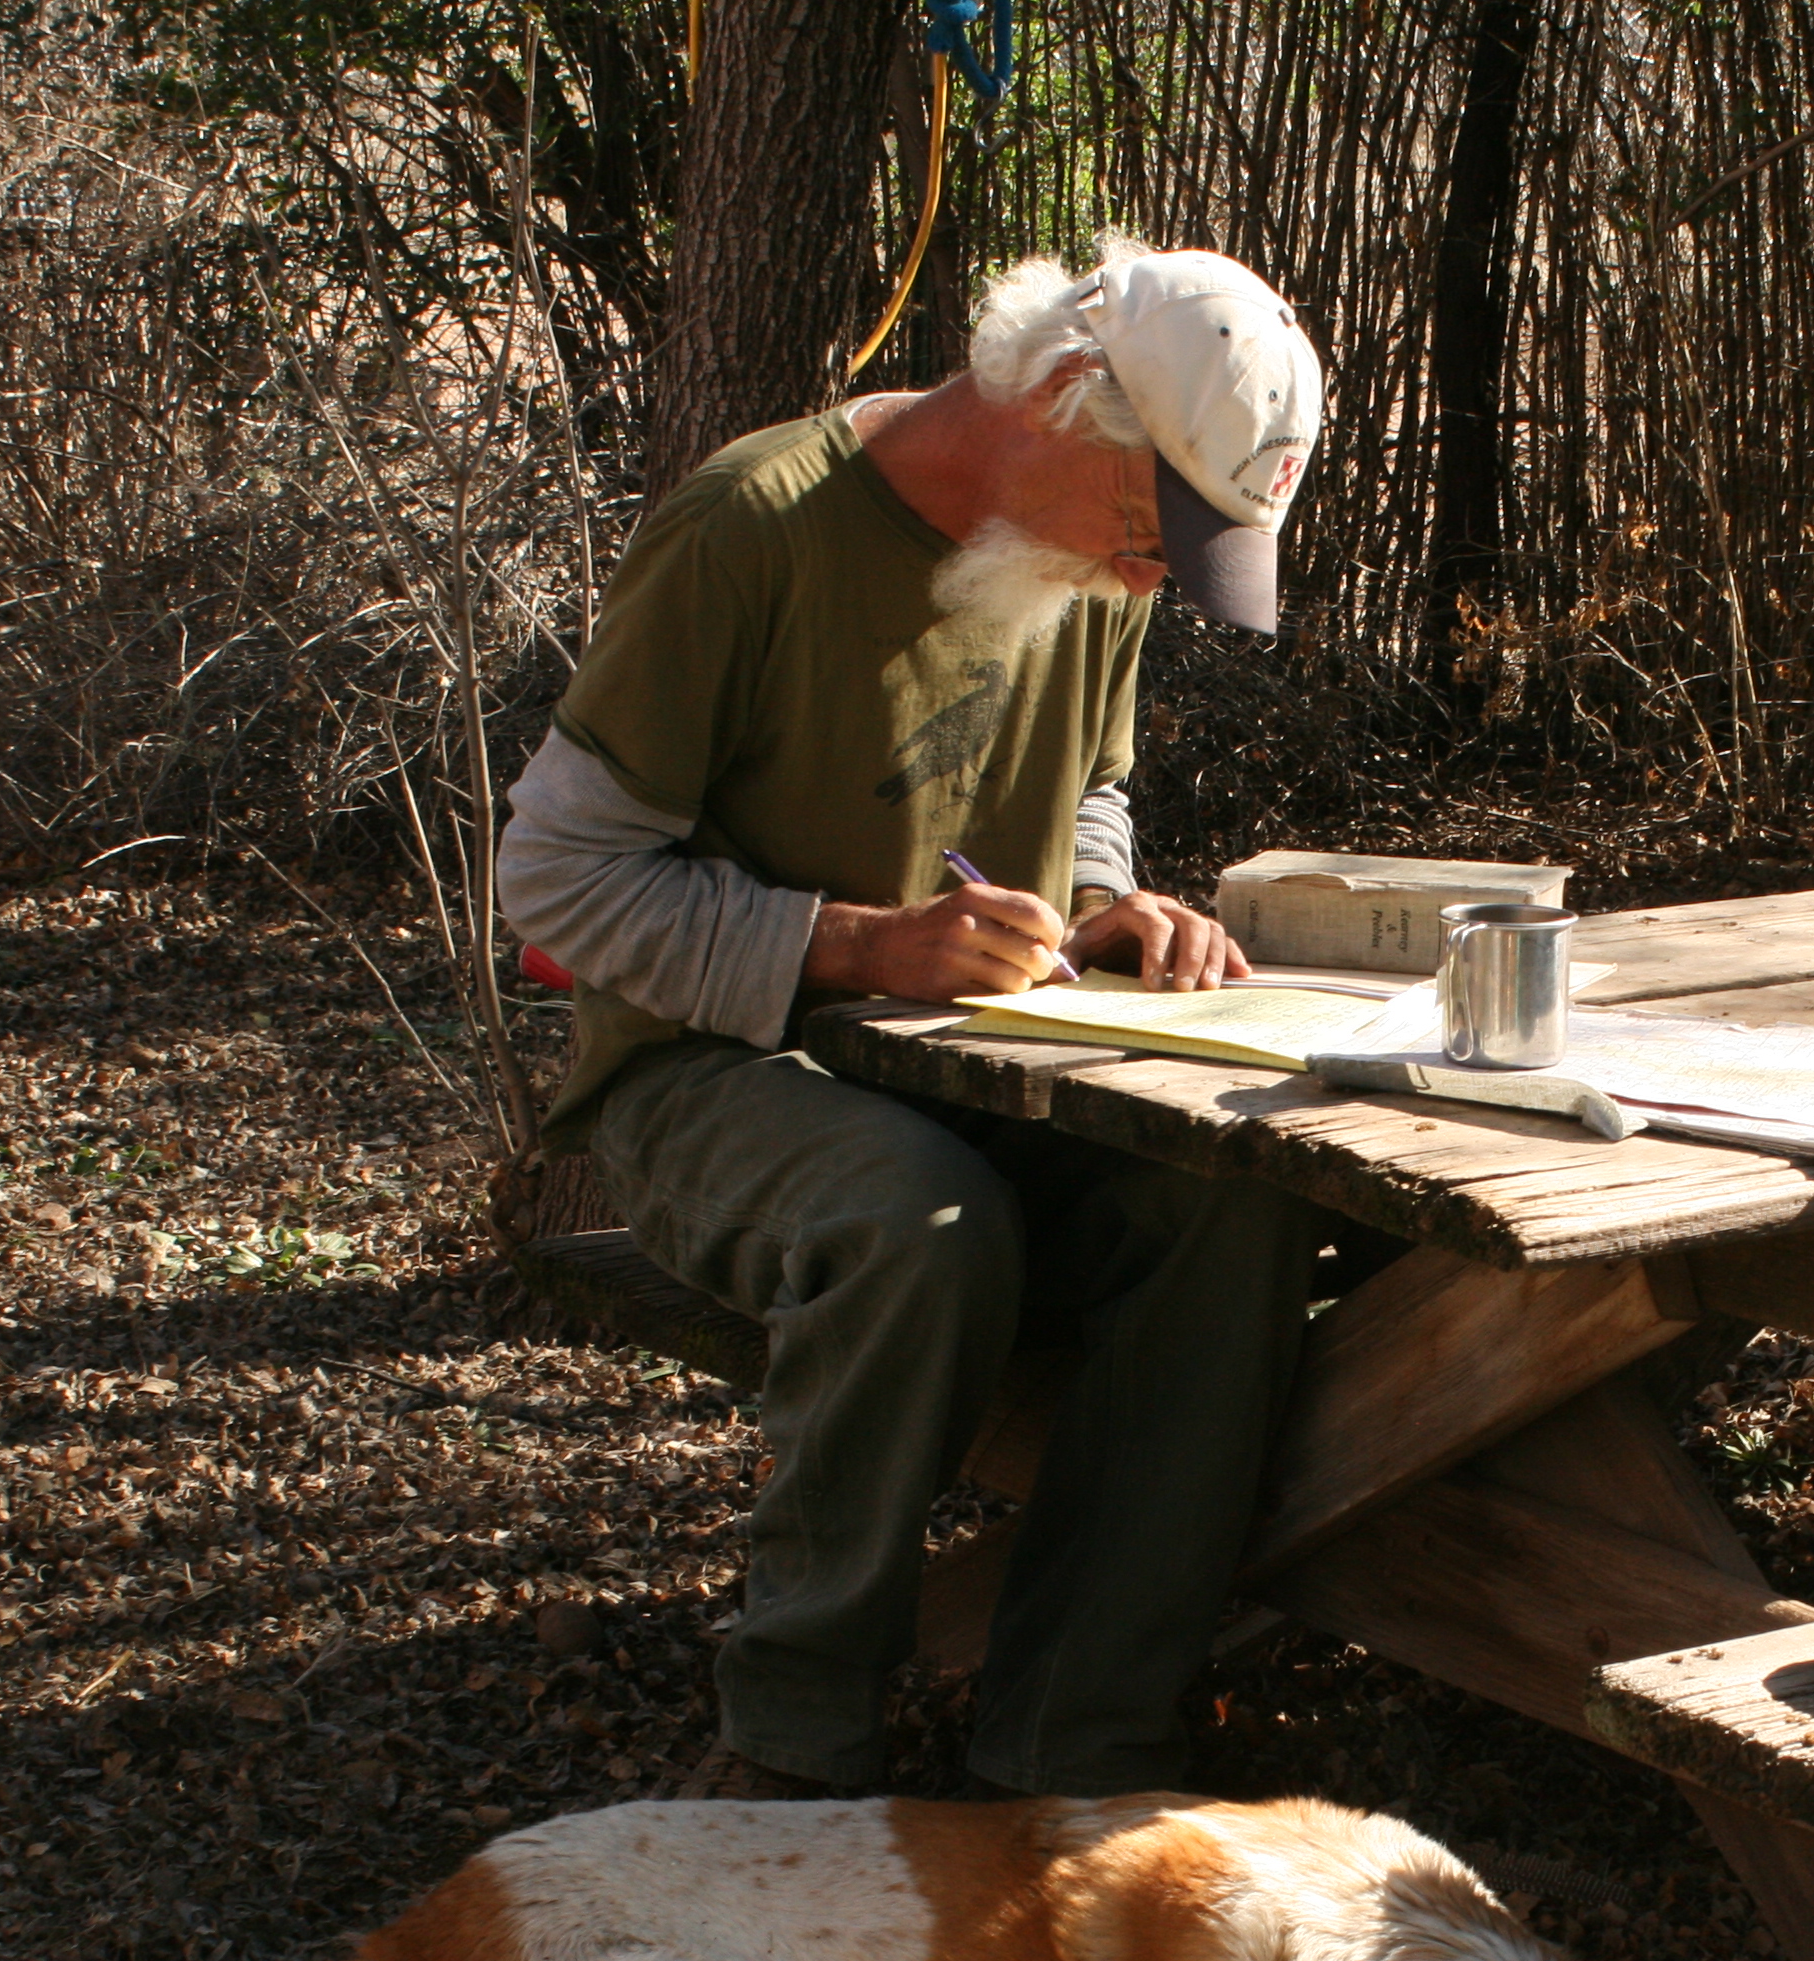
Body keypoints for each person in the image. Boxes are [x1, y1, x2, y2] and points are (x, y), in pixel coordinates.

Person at [495, 239, 1330, 1801]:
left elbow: (1088, 785)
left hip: (981, 1062)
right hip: (707, 1075)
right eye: (1154, 534)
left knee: (1236, 1213)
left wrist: (1101, 903)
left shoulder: (1092, 555)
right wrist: (868, 945)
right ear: (1066, 398)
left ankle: (1078, 1753)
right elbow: (551, 879)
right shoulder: (751, 530)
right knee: (919, 1225)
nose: (1154, 580)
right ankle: (795, 1747)